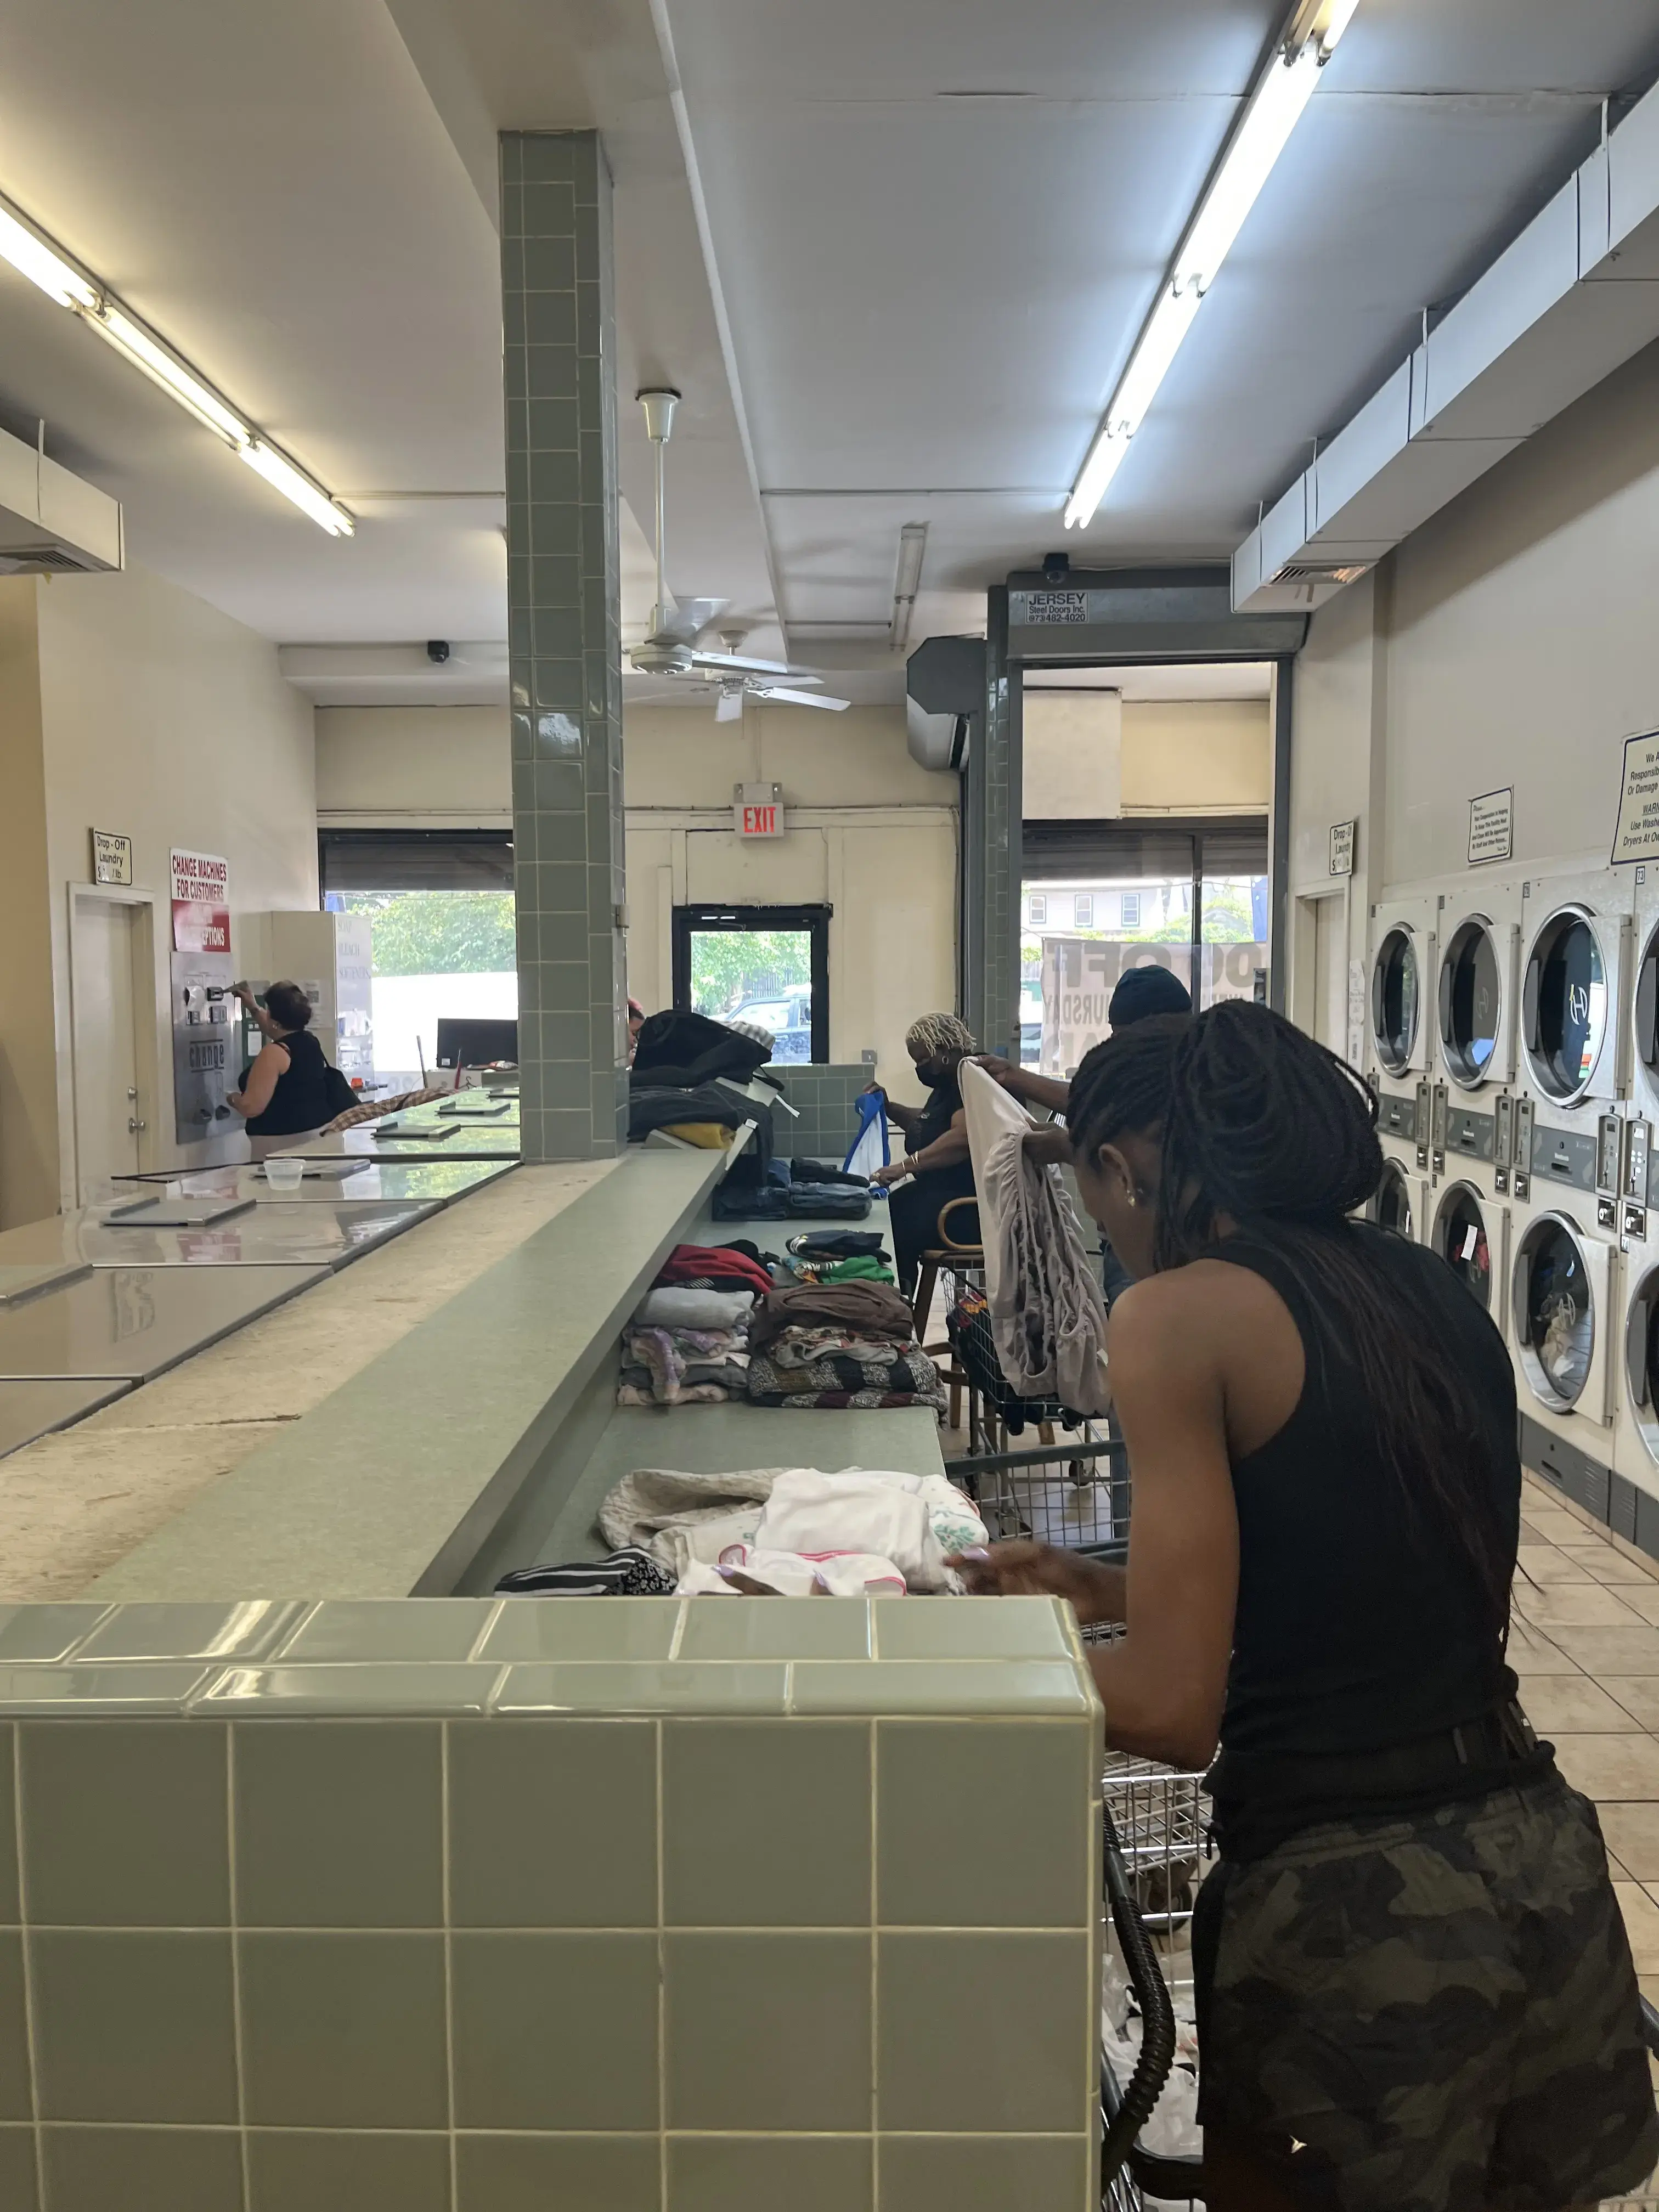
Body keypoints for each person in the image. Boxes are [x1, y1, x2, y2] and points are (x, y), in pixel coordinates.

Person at [956, 1001, 1657, 2212]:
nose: (1109, 1235)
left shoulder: (1173, 1317)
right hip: (1535, 1866)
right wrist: (1102, 1591)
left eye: (1096, 1201)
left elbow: (1173, 1708)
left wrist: (943, 1650)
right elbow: (1353, 1595)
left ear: (1121, 1166)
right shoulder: (1426, 1287)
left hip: (1359, 1924)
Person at [978, 964, 1194, 1301]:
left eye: (1126, 1037)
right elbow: (1102, 1101)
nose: (1121, 1047)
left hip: (1166, 1245)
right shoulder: (1165, 1067)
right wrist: (1013, 1077)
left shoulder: (1190, 1077)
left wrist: (1071, 1149)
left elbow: (1156, 1154)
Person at [865, 1012, 979, 1302]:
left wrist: (904, 1167)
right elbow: (930, 1124)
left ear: (945, 1049)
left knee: (895, 1225)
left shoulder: (973, 1078)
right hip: (946, 1199)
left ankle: (898, 1304)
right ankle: (897, 1301)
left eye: (924, 1060)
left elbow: (962, 1139)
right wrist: (889, 1108)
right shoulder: (949, 1086)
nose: (920, 1068)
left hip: (969, 1211)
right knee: (888, 1212)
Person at [228, 981, 335, 1160]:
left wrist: (232, 1098)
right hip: (317, 1135)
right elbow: (275, 1029)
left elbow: (251, 1107)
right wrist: (253, 1006)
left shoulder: (274, 1053)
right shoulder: (309, 1041)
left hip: (280, 1146)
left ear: (276, 1020)